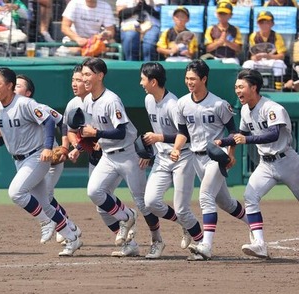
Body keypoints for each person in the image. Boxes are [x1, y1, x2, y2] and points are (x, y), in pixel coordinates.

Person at [0, 67, 83, 257]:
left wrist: (47, 146)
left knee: (16, 192)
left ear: (10, 86)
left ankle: (46, 222)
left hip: (36, 156)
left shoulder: (25, 103)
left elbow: (50, 121)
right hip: (20, 160)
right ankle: (72, 236)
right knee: (45, 203)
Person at [170, 59, 250, 261]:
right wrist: (177, 148)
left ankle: (206, 245)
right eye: (187, 78)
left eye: (193, 79)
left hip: (216, 157)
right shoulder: (182, 103)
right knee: (225, 202)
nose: (189, 82)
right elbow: (182, 133)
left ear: (204, 79)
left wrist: (230, 154)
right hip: (196, 158)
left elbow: (233, 132)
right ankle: (254, 223)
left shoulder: (218, 104)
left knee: (205, 196)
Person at [216, 69, 299, 259]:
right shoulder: (245, 110)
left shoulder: (272, 108)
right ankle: (259, 244)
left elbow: (273, 134)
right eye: (236, 87)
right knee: (250, 195)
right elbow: (241, 135)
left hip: (288, 161)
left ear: (254, 87)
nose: (237, 90)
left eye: (241, 86)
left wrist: (247, 140)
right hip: (266, 164)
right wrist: (223, 141)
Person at [65, 65, 137, 256]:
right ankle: (128, 235)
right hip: (102, 156)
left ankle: (150, 234)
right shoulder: (80, 103)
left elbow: (115, 130)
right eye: (76, 79)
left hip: (123, 153)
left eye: (82, 78)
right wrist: (80, 146)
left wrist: (96, 137)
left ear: (98, 77)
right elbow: (79, 131)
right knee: (99, 201)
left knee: (146, 201)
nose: (77, 82)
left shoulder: (108, 100)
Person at [4, 73, 81, 245]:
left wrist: (64, 146)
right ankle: (69, 227)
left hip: (50, 159)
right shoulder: (8, 112)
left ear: (28, 92)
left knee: (43, 196)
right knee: (43, 197)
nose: (14, 87)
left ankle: (67, 227)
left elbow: (63, 122)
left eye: (18, 85)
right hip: (30, 160)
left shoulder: (39, 107)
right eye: (13, 84)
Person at [139, 62, 204, 259]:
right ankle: (184, 225)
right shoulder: (149, 100)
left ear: (153, 81)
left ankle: (201, 244)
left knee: (183, 208)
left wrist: (159, 138)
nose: (140, 83)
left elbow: (187, 135)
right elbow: (158, 134)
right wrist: (150, 150)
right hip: (161, 157)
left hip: (182, 157)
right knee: (150, 202)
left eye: (143, 79)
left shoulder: (173, 105)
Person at [242, 11, 288, 91]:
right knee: (247, 64)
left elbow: (281, 56)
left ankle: (279, 90)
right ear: (258, 24)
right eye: (261, 22)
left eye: (267, 22)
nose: (264, 25)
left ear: (272, 24)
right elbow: (252, 55)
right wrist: (254, 58)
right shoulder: (253, 36)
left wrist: (267, 56)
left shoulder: (277, 36)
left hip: (272, 60)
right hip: (259, 61)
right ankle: (247, 88)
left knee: (280, 64)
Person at [203, 1, 243, 65]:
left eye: (225, 14)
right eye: (220, 13)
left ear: (230, 15)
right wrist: (219, 42)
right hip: (214, 57)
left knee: (234, 63)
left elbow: (239, 49)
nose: (222, 16)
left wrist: (226, 41)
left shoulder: (235, 29)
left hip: (230, 58)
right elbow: (208, 49)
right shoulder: (211, 29)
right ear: (216, 14)